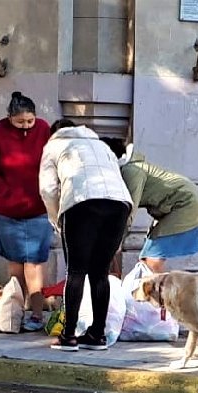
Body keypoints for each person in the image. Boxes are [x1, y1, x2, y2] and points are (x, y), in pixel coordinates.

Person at [39, 119, 132, 351]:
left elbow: (48, 189)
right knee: (100, 272)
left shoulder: (53, 146)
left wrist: (57, 220)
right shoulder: (100, 144)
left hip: (81, 203)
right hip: (119, 204)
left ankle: (68, 336)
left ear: (54, 133)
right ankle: (97, 335)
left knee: (77, 270)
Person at [0, 91, 53, 332]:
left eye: (29, 121)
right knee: (15, 265)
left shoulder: (43, 129)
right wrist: (1, 189)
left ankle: (38, 314)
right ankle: (15, 312)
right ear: (9, 117)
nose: (26, 127)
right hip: (8, 208)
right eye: (20, 122)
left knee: (35, 263)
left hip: (38, 207)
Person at [101, 137, 198, 273]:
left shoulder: (131, 171)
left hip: (185, 205)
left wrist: (115, 241)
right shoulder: (129, 169)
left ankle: (161, 292)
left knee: (153, 257)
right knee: (146, 259)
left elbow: (128, 211)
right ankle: (156, 290)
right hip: (179, 204)